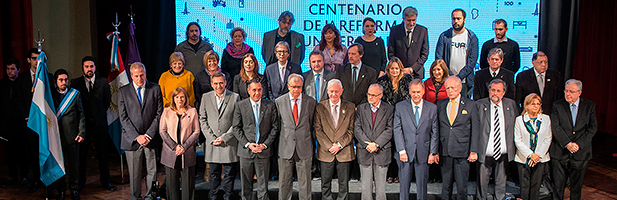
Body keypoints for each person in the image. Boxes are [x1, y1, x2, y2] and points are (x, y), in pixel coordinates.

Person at [69, 56, 115, 192]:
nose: (89, 69)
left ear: (95, 67)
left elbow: (107, 102)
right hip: (83, 126)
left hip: (99, 125)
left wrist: (97, 115)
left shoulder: (103, 82)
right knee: (81, 156)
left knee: (103, 156)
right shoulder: (75, 83)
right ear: (82, 68)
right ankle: (80, 182)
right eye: (87, 66)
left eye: (91, 66)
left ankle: (106, 182)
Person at [118, 62, 163, 200]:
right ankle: (135, 196)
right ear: (131, 76)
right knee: (135, 173)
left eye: (142, 75)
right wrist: (137, 137)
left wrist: (148, 135)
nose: (139, 78)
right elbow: (123, 117)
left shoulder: (155, 89)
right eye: (136, 76)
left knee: (153, 172)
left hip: (151, 139)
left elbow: (158, 114)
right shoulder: (123, 91)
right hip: (132, 140)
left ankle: (152, 195)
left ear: (145, 74)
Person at [550, 79, 597, 200]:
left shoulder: (589, 106)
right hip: (560, 152)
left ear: (579, 93)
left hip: (580, 154)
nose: (568, 94)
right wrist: (567, 143)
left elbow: (592, 128)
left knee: (576, 188)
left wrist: (578, 145)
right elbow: (555, 127)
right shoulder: (557, 105)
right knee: (558, 187)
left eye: (571, 91)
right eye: (566, 91)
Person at [233, 79, 279, 200]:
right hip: (246, 151)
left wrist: (264, 145)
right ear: (248, 91)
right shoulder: (240, 105)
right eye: (254, 90)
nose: (257, 93)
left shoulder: (270, 105)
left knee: (263, 188)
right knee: (246, 187)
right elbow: (236, 128)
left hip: (263, 151)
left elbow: (275, 128)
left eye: (259, 90)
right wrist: (248, 144)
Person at [472, 79, 518, 200]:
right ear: (489, 90)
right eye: (493, 90)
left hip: (503, 153)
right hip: (485, 152)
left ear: (504, 92)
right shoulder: (479, 105)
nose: (495, 93)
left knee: (501, 185)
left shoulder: (511, 105)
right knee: (482, 185)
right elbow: (475, 130)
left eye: (498, 90)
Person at [394, 79, 439, 200]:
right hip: (405, 153)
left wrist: (432, 152)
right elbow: (397, 130)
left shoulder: (432, 108)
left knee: (422, 187)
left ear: (423, 91)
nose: (416, 94)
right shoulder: (400, 107)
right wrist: (401, 151)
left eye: (418, 92)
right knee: (403, 187)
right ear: (409, 91)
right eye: (413, 92)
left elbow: (435, 132)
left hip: (424, 153)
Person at [200, 72, 240, 200]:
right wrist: (211, 138)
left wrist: (225, 137)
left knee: (229, 174)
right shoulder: (205, 97)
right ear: (211, 84)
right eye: (216, 83)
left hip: (228, 142)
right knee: (214, 174)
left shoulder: (234, 97)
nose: (218, 86)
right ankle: (213, 196)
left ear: (225, 83)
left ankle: (228, 197)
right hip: (212, 143)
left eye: (221, 83)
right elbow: (203, 119)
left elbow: (237, 121)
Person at [275, 74, 316, 200]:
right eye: (293, 87)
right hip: (285, 148)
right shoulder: (279, 102)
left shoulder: (310, 102)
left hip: (304, 147)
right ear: (288, 86)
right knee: (284, 184)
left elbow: (312, 125)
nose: (296, 90)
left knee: (305, 184)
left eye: (299, 87)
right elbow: (277, 125)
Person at [314, 79, 356, 200]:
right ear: (327, 91)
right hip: (326, 152)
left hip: (344, 152)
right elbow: (318, 130)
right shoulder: (320, 107)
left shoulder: (350, 107)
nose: (334, 94)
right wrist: (330, 146)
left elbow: (351, 130)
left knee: (344, 186)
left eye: (336, 91)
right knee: (325, 185)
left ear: (341, 91)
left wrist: (339, 145)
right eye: (331, 91)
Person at [437, 76, 477, 200]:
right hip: (445, 151)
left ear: (460, 88)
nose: (450, 90)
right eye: (447, 88)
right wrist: (435, 151)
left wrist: (474, 150)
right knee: (445, 187)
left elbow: (476, 129)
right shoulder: (441, 104)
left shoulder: (470, 105)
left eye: (452, 87)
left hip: (463, 152)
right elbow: (437, 129)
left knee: (461, 187)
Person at [159, 87, 200, 200]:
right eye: (177, 97)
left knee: (188, 186)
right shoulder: (167, 111)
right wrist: (175, 146)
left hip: (187, 153)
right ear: (173, 98)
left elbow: (196, 131)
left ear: (186, 98)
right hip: (170, 153)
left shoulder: (192, 111)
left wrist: (184, 147)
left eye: (182, 97)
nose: (179, 99)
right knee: (172, 187)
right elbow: (162, 131)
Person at [50, 69, 86, 200]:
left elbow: (81, 114)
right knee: (59, 165)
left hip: (73, 136)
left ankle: (74, 189)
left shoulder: (74, 94)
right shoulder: (51, 94)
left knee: (74, 165)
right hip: (56, 137)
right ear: (55, 81)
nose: (64, 82)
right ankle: (61, 189)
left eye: (65, 80)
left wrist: (82, 132)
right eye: (61, 80)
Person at [355, 84, 394, 200]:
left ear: (381, 95)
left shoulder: (389, 109)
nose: (370, 97)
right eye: (369, 94)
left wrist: (376, 144)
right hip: (365, 151)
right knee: (365, 189)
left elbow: (390, 129)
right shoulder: (361, 108)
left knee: (381, 190)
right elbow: (357, 128)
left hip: (381, 152)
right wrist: (368, 144)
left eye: (373, 95)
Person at [514, 93, 552, 200]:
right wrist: (530, 155)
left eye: (538, 104)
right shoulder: (519, 120)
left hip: (540, 159)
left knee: (536, 187)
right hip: (523, 158)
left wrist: (537, 155)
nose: (536, 106)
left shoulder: (545, 119)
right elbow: (518, 140)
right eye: (532, 104)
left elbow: (547, 138)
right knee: (524, 187)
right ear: (526, 105)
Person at [435, 9, 478, 98]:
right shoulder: (444, 36)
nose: (456, 21)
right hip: (446, 80)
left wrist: (459, 76)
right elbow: (439, 58)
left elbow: (472, 61)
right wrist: (449, 75)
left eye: (459, 19)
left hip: (465, 81)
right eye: (454, 19)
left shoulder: (472, 37)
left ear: (464, 19)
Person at [0, 58, 28, 188]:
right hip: (6, 125)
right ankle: (12, 176)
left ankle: (24, 176)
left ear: (18, 69)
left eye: (12, 69)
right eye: (7, 69)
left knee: (23, 152)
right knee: (9, 153)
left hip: (21, 125)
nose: (9, 71)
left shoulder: (22, 83)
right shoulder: (1, 84)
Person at [388, 6, 429, 79]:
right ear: (403, 19)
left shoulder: (423, 31)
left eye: (414, 20)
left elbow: (424, 54)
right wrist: (399, 69)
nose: (411, 23)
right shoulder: (395, 31)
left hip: (416, 73)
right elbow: (391, 53)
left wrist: (412, 69)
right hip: (398, 74)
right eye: (409, 20)